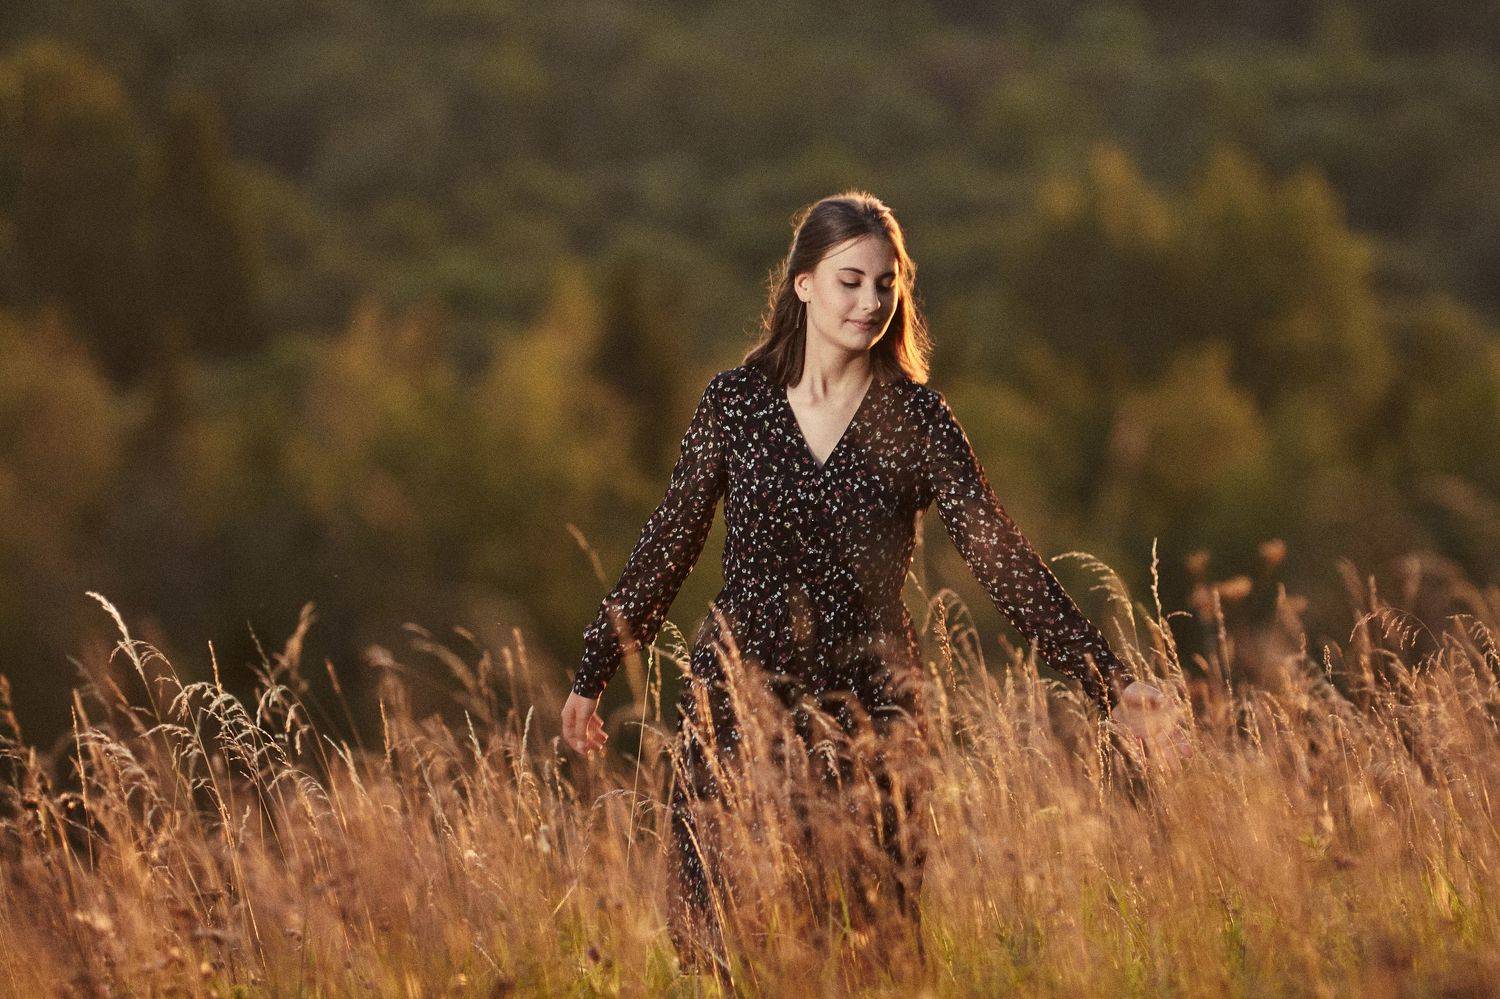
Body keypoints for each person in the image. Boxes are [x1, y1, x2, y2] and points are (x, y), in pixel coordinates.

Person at [560, 190, 1186, 972]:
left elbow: (999, 556)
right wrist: (594, 669)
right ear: (803, 284)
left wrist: (1109, 682)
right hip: (739, 705)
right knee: (731, 944)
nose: (869, 302)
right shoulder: (735, 403)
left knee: (869, 946)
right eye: (850, 281)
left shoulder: (917, 418)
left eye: (886, 284)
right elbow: (669, 541)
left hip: (869, 708)